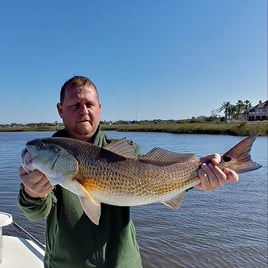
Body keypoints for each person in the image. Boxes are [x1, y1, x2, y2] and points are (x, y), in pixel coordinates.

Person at [18, 75, 239, 268]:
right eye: (75, 105)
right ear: (60, 109)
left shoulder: (127, 149)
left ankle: (237, 160)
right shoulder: (48, 162)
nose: (83, 111)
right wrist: (33, 193)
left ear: (99, 108)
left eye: (89, 104)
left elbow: (152, 177)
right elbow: (35, 213)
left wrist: (200, 176)